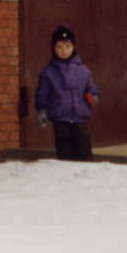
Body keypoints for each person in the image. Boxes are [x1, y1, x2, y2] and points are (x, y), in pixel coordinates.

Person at [35, 23, 100, 161]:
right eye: (59, 47)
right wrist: (42, 111)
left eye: (67, 46)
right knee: (65, 155)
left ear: (73, 47)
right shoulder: (48, 73)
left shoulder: (83, 71)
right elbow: (42, 94)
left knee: (84, 154)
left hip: (80, 119)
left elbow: (91, 90)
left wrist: (92, 98)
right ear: (53, 49)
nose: (64, 51)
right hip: (60, 120)